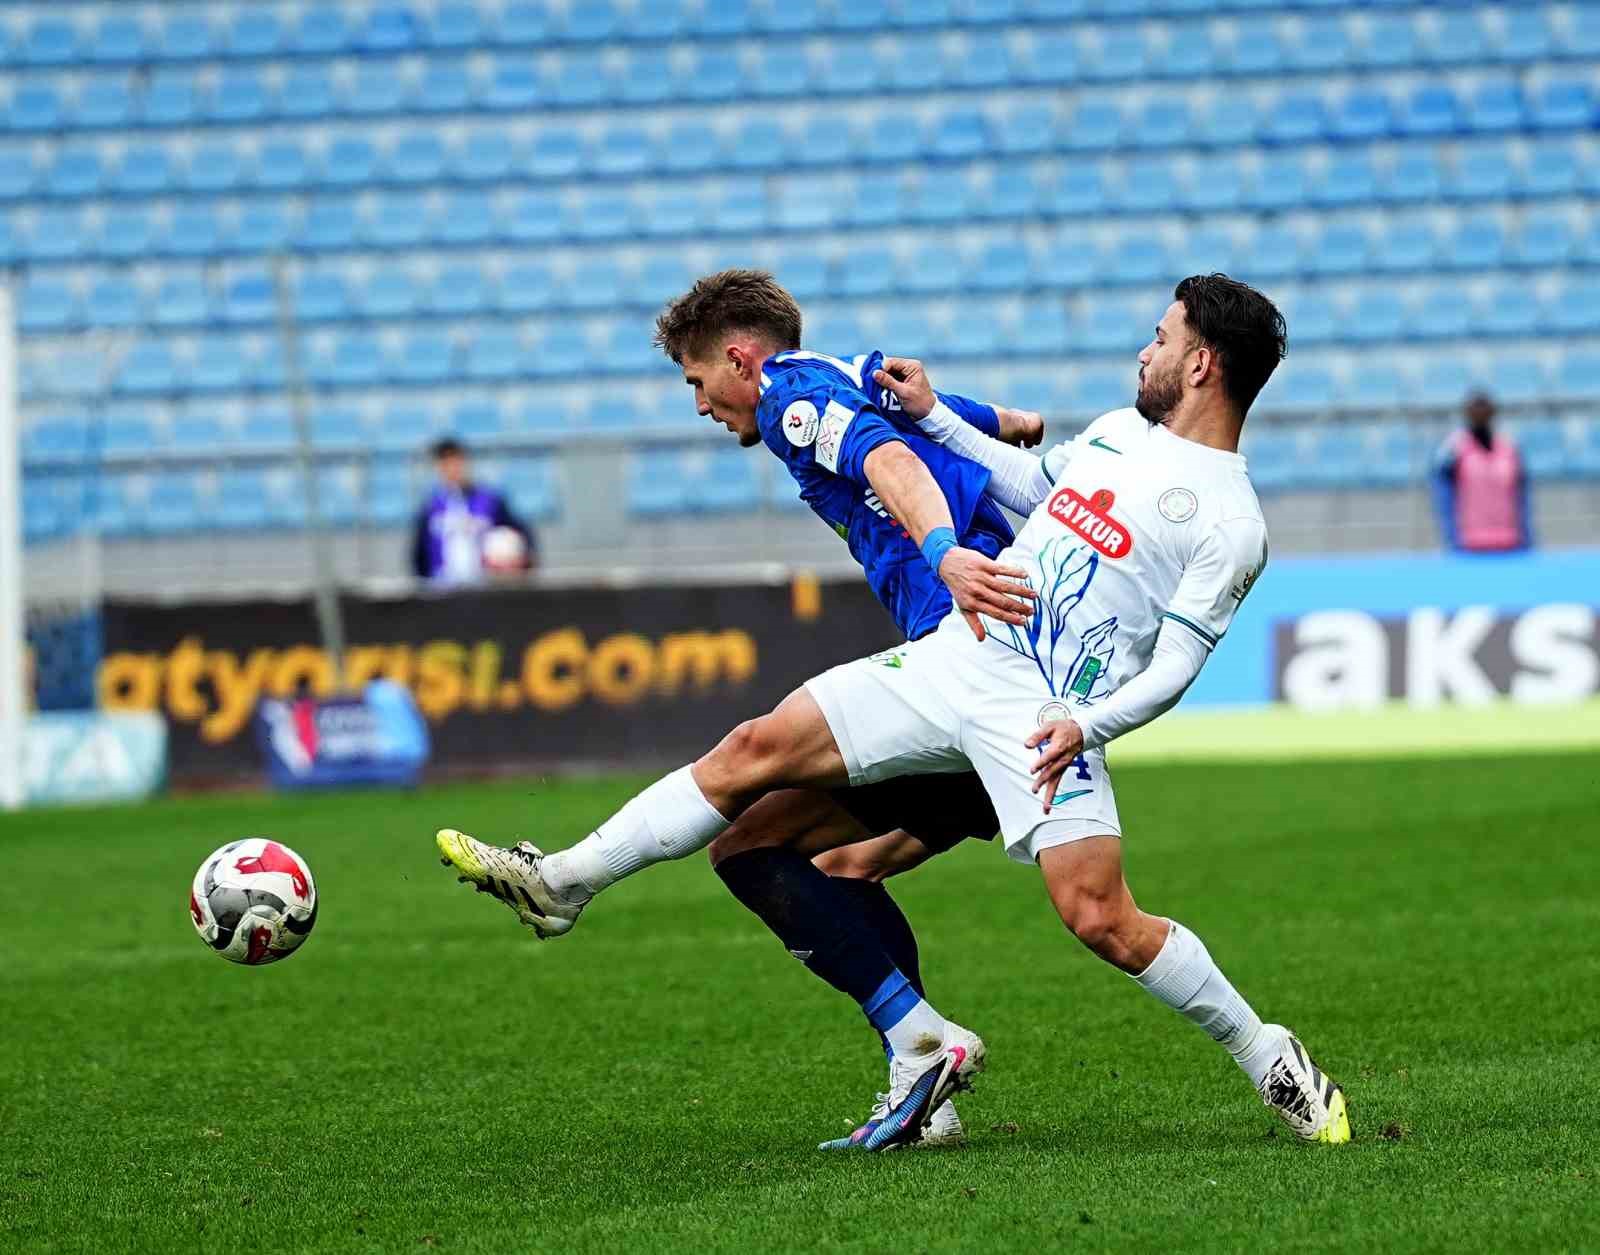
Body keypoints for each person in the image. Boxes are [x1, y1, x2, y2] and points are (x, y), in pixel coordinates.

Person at [436, 274, 1351, 1151]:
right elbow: (1029, 486)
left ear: (1201, 365)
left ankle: (1267, 1052)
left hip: (1043, 714)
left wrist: (1088, 725)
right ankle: (564, 883)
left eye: (1162, 337)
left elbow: (1180, 666)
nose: (1144, 350)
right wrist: (942, 415)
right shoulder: (1118, 433)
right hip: (962, 648)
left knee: (1100, 916)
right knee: (757, 749)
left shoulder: (1232, 522)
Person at [451, 269, 1046, 1148]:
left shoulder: (788, 398)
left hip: (967, 663)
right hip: (1011, 686)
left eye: (696, 381)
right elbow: (1003, 424)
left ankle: (564, 880)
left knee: (750, 751)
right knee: (776, 853)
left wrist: (949, 551)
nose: (700, 405)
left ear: (738, 357)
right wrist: (1006, 428)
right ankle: (922, 1062)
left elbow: (885, 459)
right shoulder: (851, 370)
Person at [409, 437, 535, 584]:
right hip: (441, 589)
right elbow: (418, 553)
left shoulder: (490, 501)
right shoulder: (430, 507)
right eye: (445, 463)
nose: (451, 468)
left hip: (484, 587)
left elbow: (519, 533)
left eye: (455, 461)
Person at [1433, 391, 1532, 553]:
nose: (1480, 413)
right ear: (1467, 413)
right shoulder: (1454, 448)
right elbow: (1443, 496)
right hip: (1470, 544)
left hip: (1509, 541)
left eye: (1484, 408)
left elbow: (1522, 496)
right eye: (1475, 408)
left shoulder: (1509, 446)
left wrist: (1527, 537)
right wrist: (1452, 538)